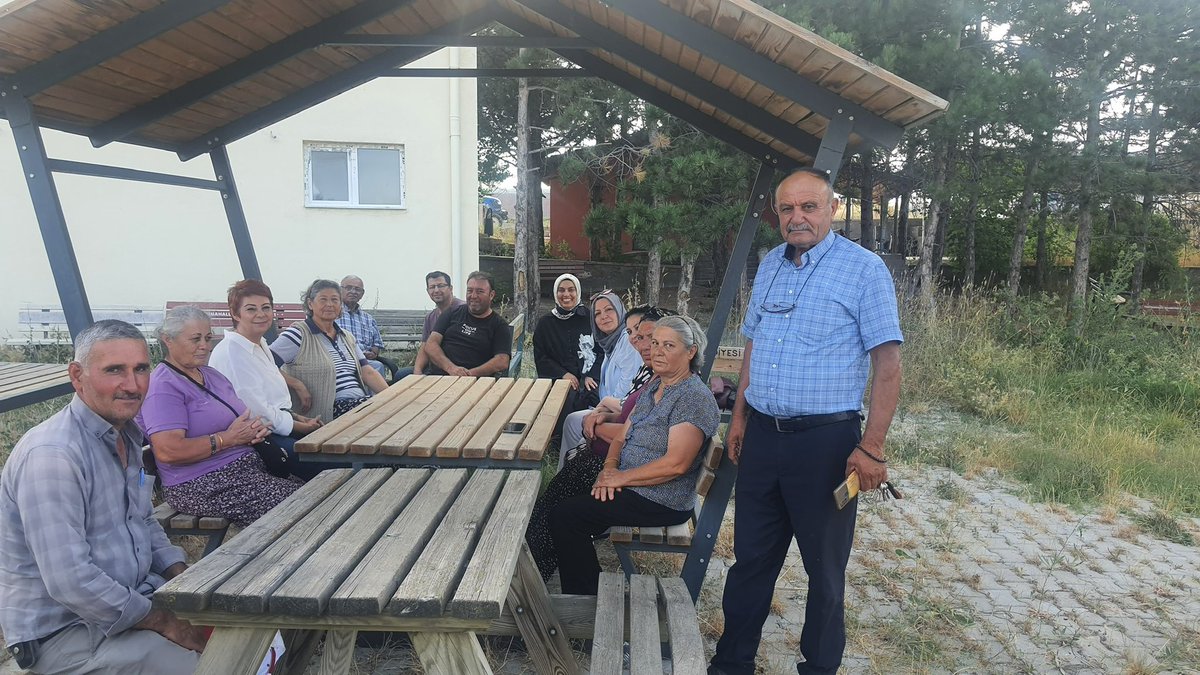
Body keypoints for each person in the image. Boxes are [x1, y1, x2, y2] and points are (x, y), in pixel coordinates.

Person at [709, 168, 902, 675]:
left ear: (832, 209)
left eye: (809, 207)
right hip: (762, 439)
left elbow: (888, 364)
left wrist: (872, 448)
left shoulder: (864, 270)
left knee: (825, 572)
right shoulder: (771, 263)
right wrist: (739, 417)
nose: (797, 217)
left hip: (826, 445)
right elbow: (753, 344)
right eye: (787, 209)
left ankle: (818, 667)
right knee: (751, 561)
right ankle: (731, 664)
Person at [0, 320, 207, 674]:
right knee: (216, 664)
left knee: (250, 636)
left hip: (133, 601)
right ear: (77, 376)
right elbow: (71, 582)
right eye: (114, 370)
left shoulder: (124, 434)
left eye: (141, 369)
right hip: (67, 631)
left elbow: (142, 520)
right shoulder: (53, 456)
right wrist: (166, 622)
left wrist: (183, 577)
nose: (132, 385)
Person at [547, 316, 720, 595]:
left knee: (567, 516)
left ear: (691, 352)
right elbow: (622, 435)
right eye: (655, 343)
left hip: (660, 497)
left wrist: (619, 478)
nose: (657, 351)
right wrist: (609, 468)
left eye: (668, 345)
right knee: (561, 491)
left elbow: (676, 464)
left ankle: (585, 598)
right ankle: (546, 567)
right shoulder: (657, 384)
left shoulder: (692, 398)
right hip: (633, 482)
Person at [527, 306, 664, 580]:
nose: (641, 344)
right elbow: (631, 422)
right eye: (635, 336)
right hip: (609, 461)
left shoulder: (669, 384)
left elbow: (641, 439)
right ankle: (539, 574)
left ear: (688, 350)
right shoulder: (653, 376)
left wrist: (601, 432)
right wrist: (603, 419)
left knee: (559, 514)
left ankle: (538, 578)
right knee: (548, 506)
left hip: (633, 478)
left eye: (652, 339)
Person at [138, 305, 305, 525]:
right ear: (167, 339)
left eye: (208, 338)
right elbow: (168, 450)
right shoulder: (162, 386)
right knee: (307, 507)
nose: (205, 346)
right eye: (195, 339)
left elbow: (239, 419)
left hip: (247, 471)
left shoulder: (211, 375)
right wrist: (228, 439)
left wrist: (254, 430)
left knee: (319, 493)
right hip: (203, 483)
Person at [208, 280, 328, 479]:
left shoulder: (259, 344)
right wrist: (300, 427)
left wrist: (298, 418)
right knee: (333, 462)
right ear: (236, 314)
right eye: (251, 309)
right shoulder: (233, 352)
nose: (261, 314)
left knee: (337, 446)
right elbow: (256, 413)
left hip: (275, 427)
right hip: (256, 439)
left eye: (266, 308)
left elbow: (272, 402)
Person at [271, 279, 390, 421]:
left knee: (394, 408)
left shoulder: (346, 337)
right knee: (381, 412)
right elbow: (264, 363)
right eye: (323, 299)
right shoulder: (299, 334)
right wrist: (297, 385)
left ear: (340, 305)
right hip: (330, 410)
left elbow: (368, 372)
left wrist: (392, 397)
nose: (329, 304)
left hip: (359, 403)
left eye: (334, 300)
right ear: (310, 303)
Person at [556, 291, 643, 465]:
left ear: (620, 311)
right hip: (610, 408)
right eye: (597, 313)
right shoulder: (611, 343)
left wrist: (600, 409)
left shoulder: (628, 342)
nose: (603, 316)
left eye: (609, 309)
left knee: (575, 424)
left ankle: (569, 471)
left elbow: (625, 392)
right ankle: (567, 470)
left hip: (622, 414)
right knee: (572, 419)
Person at [423, 271, 511, 377]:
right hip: (439, 376)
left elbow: (502, 360)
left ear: (491, 295)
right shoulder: (452, 312)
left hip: (474, 381)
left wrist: (469, 374)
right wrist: (451, 368)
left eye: (480, 291)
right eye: (470, 291)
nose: (473, 296)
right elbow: (431, 344)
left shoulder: (499, 325)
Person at [533, 273, 599, 413]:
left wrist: (591, 374)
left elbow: (601, 349)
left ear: (578, 292)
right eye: (561, 290)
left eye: (571, 289)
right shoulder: (545, 323)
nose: (566, 294)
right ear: (555, 293)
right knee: (561, 406)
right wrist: (563, 374)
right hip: (558, 379)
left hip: (590, 378)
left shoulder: (590, 318)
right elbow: (541, 357)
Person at [395, 271, 465, 380]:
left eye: (441, 286)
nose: (436, 290)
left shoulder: (463, 310)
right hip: (434, 367)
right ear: (427, 291)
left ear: (450, 288)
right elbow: (424, 347)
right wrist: (417, 372)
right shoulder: (430, 317)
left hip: (457, 368)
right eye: (432, 287)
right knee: (401, 375)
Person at [336, 274, 399, 381]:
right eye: (348, 288)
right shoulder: (332, 313)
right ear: (340, 290)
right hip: (340, 359)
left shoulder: (368, 319)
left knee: (376, 366)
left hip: (365, 361)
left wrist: (373, 353)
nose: (353, 292)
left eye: (357, 289)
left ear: (362, 294)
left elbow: (376, 345)